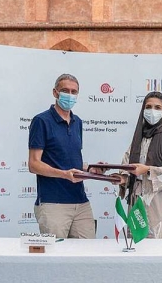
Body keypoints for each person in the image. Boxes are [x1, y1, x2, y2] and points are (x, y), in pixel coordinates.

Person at [28, 73, 98, 239]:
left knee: (88, 255)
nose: (70, 95)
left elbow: (70, 161)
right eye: (65, 90)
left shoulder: (77, 122)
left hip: (80, 202)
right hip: (53, 203)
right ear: (55, 92)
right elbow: (33, 164)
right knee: (56, 259)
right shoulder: (41, 121)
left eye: (74, 91)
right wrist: (64, 175)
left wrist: (92, 169)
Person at [116, 91, 162, 239]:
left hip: (159, 202)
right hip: (136, 201)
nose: (152, 111)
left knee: (159, 250)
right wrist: (122, 179)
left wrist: (148, 170)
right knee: (136, 245)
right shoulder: (138, 137)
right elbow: (128, 166)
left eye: (157, 107)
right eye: (148, 107)